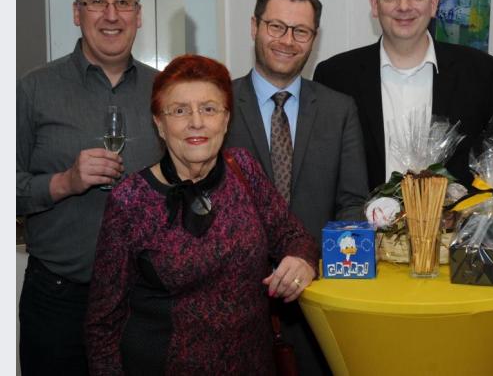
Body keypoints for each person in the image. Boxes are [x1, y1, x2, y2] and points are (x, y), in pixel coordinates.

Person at [85, 54, 319, 374]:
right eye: (180, 111)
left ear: (225, 119)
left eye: (209, 109)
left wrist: (301, 260)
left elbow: (294, 236)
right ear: (159, 123)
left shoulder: (244, 170)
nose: (196, 121)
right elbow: (102, 324)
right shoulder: (130, 201)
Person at [16, 0, 162, 375]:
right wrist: (65, 182)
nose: (112, 15)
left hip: (144, 301)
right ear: (77, 13)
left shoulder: (164, 92)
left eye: (123, 3)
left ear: (138, 14)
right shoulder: (34, 89)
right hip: (59, 302)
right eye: (98, 2)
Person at [225, 0, 368, 376]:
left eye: (300, 31)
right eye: (276, 27)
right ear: (254, 26)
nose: (287, 40)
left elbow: (353, 203)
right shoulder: (216, 104)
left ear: (314, 38)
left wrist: (312, 259)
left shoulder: (340, 110)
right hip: (233, 305)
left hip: (315, 300)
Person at [313, 0, 493, 189]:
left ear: (433, 3)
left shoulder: (482, 73)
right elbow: (323, 172)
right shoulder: (335, 76)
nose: (404, 7)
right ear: (375, 4)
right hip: (362, 224)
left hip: (456, 226)